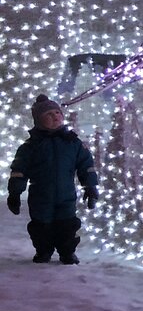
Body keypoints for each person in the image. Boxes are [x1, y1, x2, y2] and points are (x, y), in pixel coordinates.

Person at [7, 95, 98, 264]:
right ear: (38, 120)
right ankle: (43, 251)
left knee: (67, 225)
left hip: (66, 195)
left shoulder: (73, 143)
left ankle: (67, 252)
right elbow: (19, 171)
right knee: (41, 226)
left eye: (57, 112)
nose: (55, 116)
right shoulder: (30, 147)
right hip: (41, 196)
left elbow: (86, 165)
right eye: (49, 114)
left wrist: (90, 187)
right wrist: (14, 193)